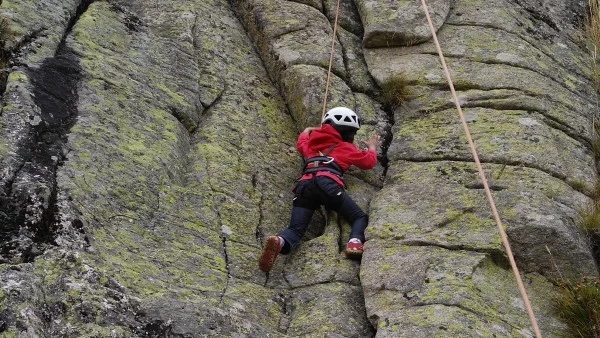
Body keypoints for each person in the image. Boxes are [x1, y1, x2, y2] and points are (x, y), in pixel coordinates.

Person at [259, 106, 381, 273]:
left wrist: (308, 130)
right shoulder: (346, 147)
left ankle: (280, 241)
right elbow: (368, 163)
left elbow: (301, 143)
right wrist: (372, 147)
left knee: (295, 229)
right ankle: (354, 243)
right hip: (327, 184)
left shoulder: (310, 144)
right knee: (359, 217)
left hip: (304, 186)